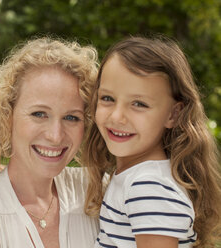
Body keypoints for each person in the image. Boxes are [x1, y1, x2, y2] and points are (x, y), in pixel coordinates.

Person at [0, 37, 99, 248]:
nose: (56, 136)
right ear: (7, 115)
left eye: (71, 117)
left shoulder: (98, 191)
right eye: (39, 114)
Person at [83, 36, 221, 248]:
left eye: (139, 104)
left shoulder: (147, 186)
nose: (117, 116)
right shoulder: (136, 178)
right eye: (108, 98)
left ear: (173, 114)